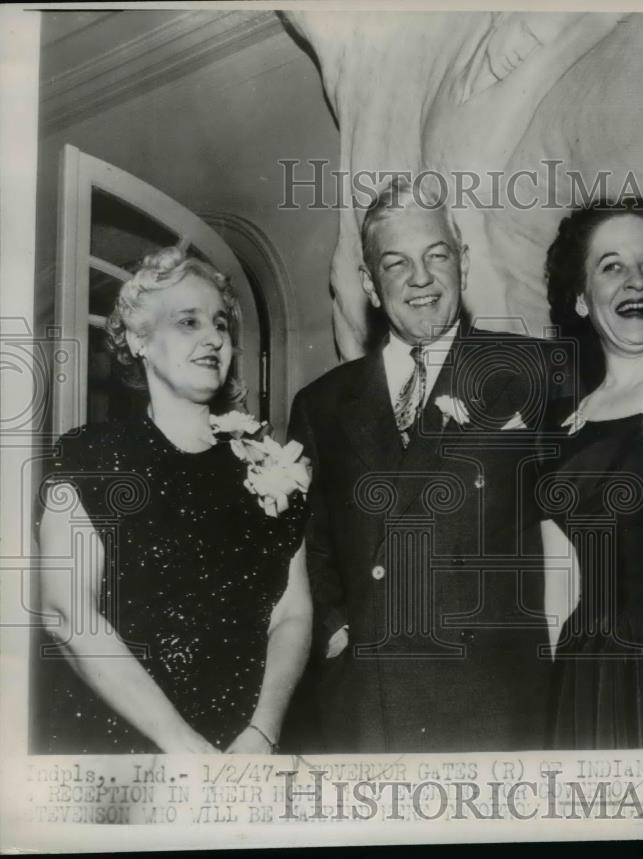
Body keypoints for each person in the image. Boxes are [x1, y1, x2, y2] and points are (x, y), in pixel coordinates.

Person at [286, 177, 551, 752]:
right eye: (396, 263)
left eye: (437, 256)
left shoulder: (532, 374)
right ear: (370, 286)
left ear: (464, 262)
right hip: (367, 710)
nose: (422, 279)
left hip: (496, 708)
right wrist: (332, 632)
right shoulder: (321, 404)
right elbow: (311, 544)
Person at [37, 247, 312, 754]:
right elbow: (66, 613)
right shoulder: (91, 457)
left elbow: (292, 612)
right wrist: (184, 747)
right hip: (126, 750)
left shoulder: (269, 466)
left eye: (221, 325)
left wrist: (263, 733)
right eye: (189, 322)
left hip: (245, 756)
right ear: (139, 339)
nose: (214, 338)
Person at [539, 198, 643, 748]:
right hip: (585, 679)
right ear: (582, 300)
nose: (637, 280)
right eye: (612, 266)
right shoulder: (556, 429)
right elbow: (552, 593)